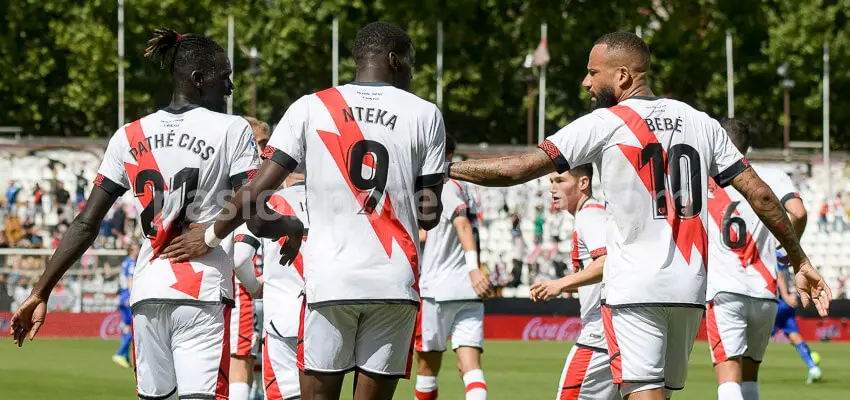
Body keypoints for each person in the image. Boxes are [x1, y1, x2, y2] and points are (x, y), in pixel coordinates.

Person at [446, 31, 830, 400]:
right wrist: (800, 260)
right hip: (690, 290)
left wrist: (445, 169)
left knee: (644, 393)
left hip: (634, 287)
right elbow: (761, 195)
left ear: (623, 76)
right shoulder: (701, 122)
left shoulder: (604, 122)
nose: (585, 82)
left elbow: (516, 169)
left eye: (592, 73)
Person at [159, 21, 446, 400]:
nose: (411, 74)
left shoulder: (311, 107)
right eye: (410, 63)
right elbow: (429, 216)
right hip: (394, 282)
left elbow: (256, 190)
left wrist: (210, 235)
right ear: (394, 60)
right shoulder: (426, 113)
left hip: (330, 280)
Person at [11, 28, 261, 400]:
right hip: (203, 290)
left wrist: (40, 291)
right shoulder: (233, 128)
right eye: (224, 78)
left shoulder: (128, 134)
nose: (230, 87)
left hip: (148, 292)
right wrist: (213, 234)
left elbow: (86, 223)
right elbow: (254, 203)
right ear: (198, 79)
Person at [703, 118, 808, 400]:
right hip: (765, 291)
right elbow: (798, 213)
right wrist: (786, 250)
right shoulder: (772, 176)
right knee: (750, 380)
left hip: (725, 290)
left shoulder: (704, 180)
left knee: (728, 379)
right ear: (747, 146)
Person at [529, 164, 621, 400]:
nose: (553, 188)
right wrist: (558, 285)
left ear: (583, 183)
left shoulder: (590, 215)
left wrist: (559, 284)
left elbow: (605, 262)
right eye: (551, 182)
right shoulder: (593, 213)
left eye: (560, 181)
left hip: (599, 334)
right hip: (613, 333)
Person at [414, 135, 492, 400]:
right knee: (470, 369)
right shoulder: (466, 187)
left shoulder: (444, 187)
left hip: (437, 290)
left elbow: (461, 224)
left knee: (426, 371)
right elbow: (436, 232)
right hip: (468, 292)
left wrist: (473, 268)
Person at [228, 116, 270, 400]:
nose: (264, 151)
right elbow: (240, 254)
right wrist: (254, 284)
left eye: (266, 144)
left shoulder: (273, 184)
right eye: (258, 143)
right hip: (247, 290)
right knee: (240, 358)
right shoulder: (239, 189)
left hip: (271, 291)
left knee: (262, 364)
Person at [262, 165, 308, 400]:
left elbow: (240, 257)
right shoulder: (333, 202)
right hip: (322, 312)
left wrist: (254, 285)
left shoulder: (268, 202)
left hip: (280, 314)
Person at [774, 250, 823, 384]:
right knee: (793, 335)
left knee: (755, 335)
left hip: (775, 301)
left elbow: (779, 276)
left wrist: (785, 295)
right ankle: (813, 367)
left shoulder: (771, 253)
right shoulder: (782, 255)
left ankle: (740, 369)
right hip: (786, 303)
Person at [113, 243, 139, 368]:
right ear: (132, 251)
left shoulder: (125, 262)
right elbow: (130, 279)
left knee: (127, 327)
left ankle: (125, 356)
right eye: (136, 248)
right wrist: (131, 296)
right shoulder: (132, 262)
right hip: (127, 296)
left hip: (122, 295)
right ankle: (119, 353)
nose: (138, 250)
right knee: (132, 327)